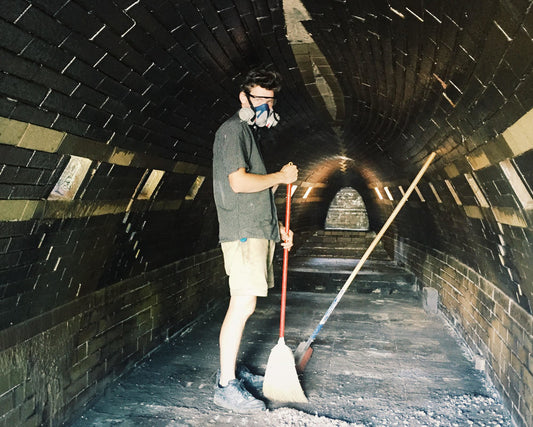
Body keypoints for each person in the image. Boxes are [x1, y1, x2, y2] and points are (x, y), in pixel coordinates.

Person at [212, 68, 298, 412]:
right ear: (243, 99)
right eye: (259, 99)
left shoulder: (249, 135)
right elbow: (239, 184)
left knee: (246, 304)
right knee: (242, 304)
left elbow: (257, 195)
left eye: (269, 101)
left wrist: (276, 228)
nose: (264, 107)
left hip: (256, 229)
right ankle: (225, 383)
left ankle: (232, 372)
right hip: (242, 233)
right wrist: (281, 175)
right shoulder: (232, 131)